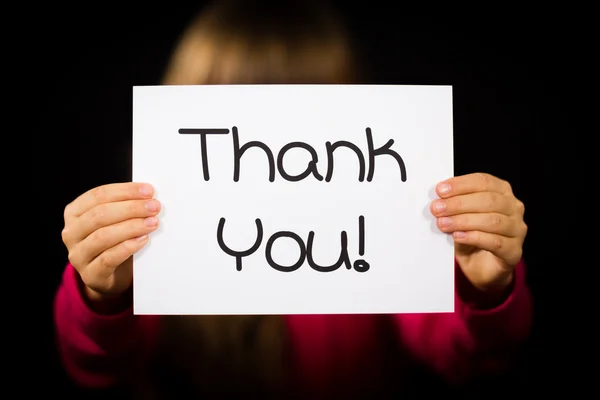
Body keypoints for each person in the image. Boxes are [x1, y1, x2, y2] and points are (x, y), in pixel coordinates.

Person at [54, 0, 533, 397]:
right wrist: (100, 296)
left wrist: (485, 291)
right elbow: (100, 371)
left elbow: (466, 357)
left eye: (305, 103)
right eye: (232, 103)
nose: (268, 132)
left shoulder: (387, 226)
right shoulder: (149, 235)